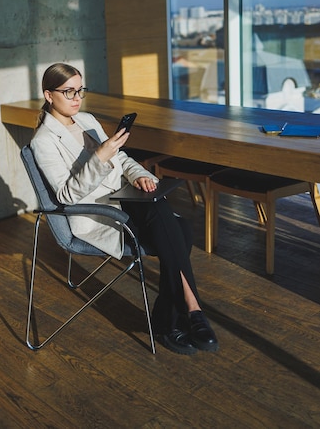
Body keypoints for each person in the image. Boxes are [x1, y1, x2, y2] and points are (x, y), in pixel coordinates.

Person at [31, 62, 219, 355]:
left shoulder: (87, 119)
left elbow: (122, 160)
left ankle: (178, 316)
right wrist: (101, 156)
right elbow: (66, 195)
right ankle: (188, 311)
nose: (76, 98)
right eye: (68, 92)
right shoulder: (43, 141)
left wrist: (140, 175)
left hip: (125, 197)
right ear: (48, 94)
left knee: (177, 225)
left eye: (80, 90)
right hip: (99, 214)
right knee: (177, 229)